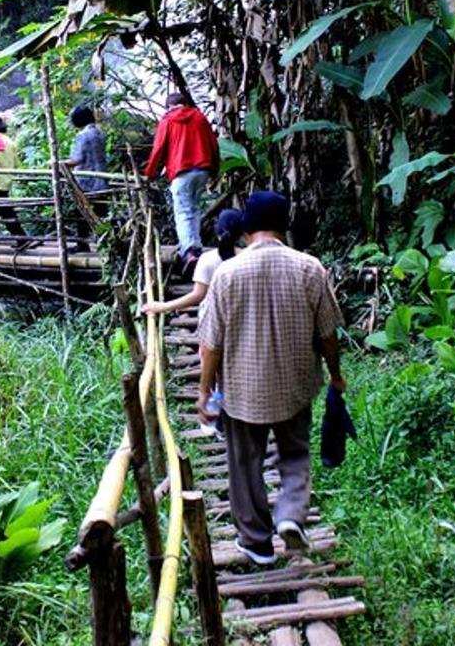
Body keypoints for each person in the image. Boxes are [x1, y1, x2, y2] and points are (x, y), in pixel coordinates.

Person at [196, 191, 346, 566]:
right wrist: (336, 375)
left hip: (243, 391)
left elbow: (210, 343)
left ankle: (256, 541)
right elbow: (328, 335)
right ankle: (292, 515)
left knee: (244, 464)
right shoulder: (310, 268)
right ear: (284, 226)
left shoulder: (227, 273)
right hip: (295, 385)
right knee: (295, 454)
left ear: (247, 229)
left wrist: (205, 390)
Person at [143, 91, 219, 276]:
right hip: (202, 169)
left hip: (181, 171)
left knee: (183, 210)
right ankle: (195, 246)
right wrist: (215, 170)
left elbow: (159, 148)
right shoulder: (200, 117)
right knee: (193, 209)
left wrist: (150, 172)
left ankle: (190, 250)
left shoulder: (168, 120)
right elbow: (213, 144)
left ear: (169, 107)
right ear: (185, 104)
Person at [141, 208, 243, 316]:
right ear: (242, 233)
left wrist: (163, 306)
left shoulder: (207, 259)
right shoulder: (249, 257)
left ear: (217, 231)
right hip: (243, 316)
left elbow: (197, 295)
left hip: (213, 318)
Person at [64, 103, 108, 246]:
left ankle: (83, 245)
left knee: (82, 213)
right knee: (101, 213)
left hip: (86, 181)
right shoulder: (99, 133)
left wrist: (60, 164)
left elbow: (77, 159)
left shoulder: (82, 136)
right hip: (101, 179)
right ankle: (107, 243)